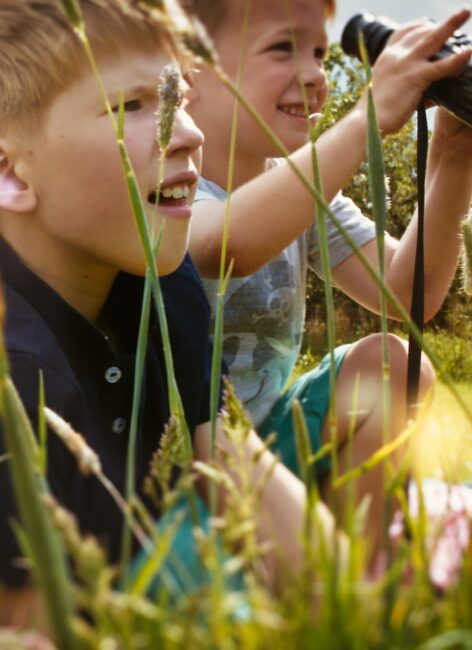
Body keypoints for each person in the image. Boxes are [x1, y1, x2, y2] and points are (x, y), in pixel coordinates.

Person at [0, 0, 338, 631]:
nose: (188, 132)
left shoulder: (156, 270)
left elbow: (236, 466)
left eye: (178, 98)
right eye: (129, 105)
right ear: (9, 173)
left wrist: (356, 604)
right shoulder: (13, 359)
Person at [184, 0, 472, 538]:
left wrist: (453, 158)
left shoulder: (307, 191)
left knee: (392, 363)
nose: (316, 74)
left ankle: (352, 564)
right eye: (282, 48)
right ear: (188, 69)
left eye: (319, 52)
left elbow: (406, 295)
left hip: (272, 438)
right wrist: (368, 117)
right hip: (180, 458)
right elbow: (224, 244)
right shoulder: (167, 185)